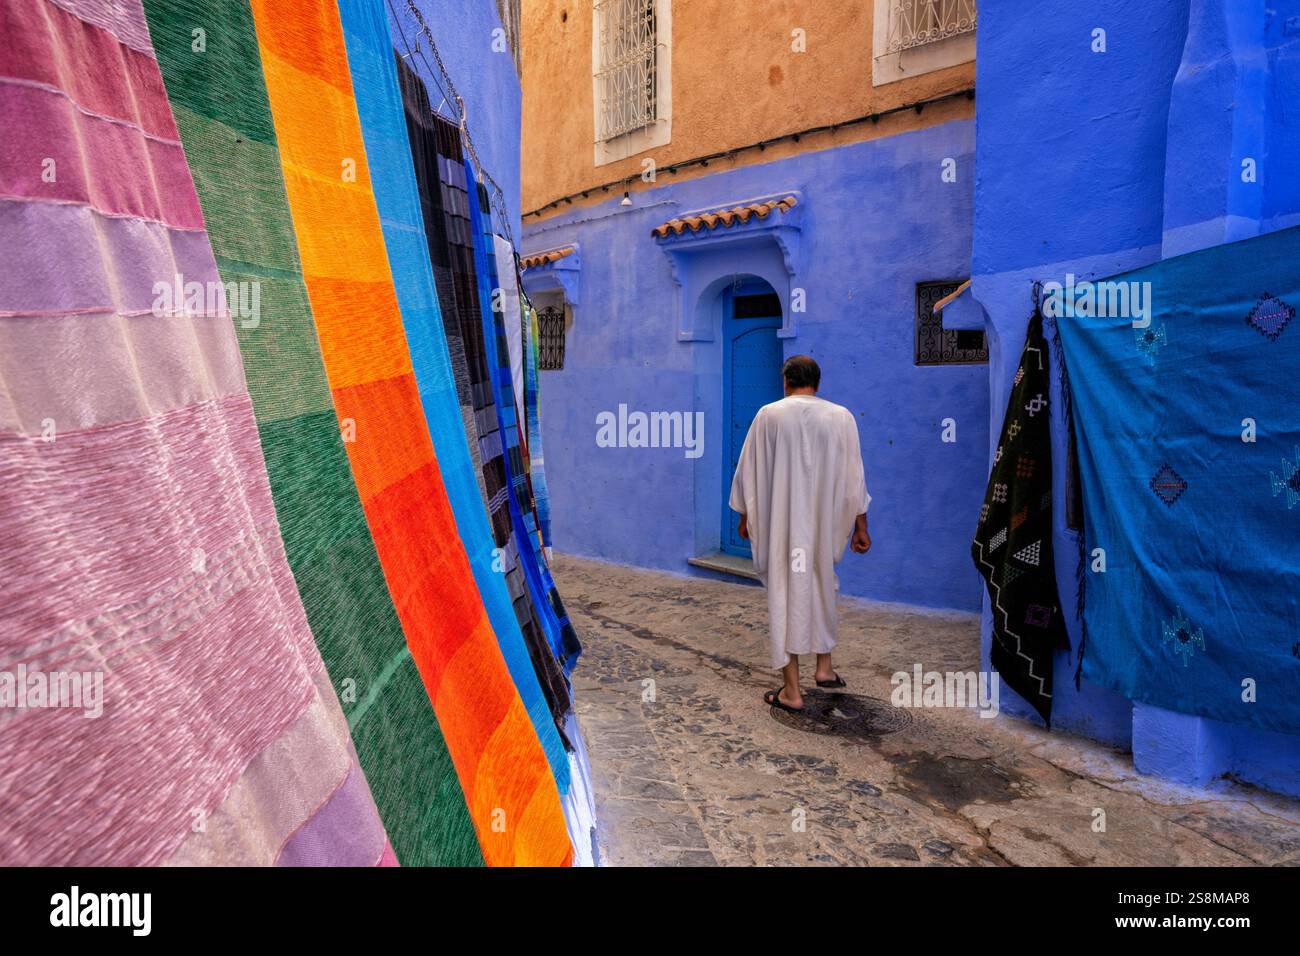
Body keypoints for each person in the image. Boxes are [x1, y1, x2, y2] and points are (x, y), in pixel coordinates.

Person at [729, 354, 872, 713]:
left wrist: (745, 517)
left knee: (784, 593)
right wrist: (861, 526)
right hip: (822, 528)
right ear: (818, 384)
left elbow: (748, 471)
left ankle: (791, 691)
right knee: (823, 584)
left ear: (786, 381)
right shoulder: (841, 418)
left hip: (782, 528)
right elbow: (855, 479)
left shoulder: (769, 415)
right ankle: (824, 668)